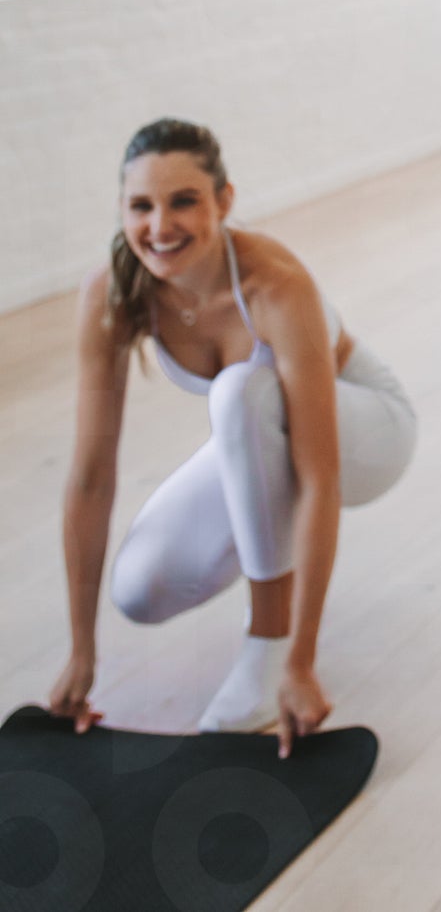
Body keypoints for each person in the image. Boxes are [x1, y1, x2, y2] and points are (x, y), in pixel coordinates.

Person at [48, 118, 416, 754]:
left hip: (369, 432)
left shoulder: (274, 283)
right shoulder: (112, 292)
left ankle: (269, 643)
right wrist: (82, 653)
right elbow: (90, 477)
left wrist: (301, 662)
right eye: (141, 206)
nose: (160, 227)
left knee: (241, 391)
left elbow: (320, 478)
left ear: (224, 200)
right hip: (259, 431)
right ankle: (269, 581)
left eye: (183, 201)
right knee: (141, 589)